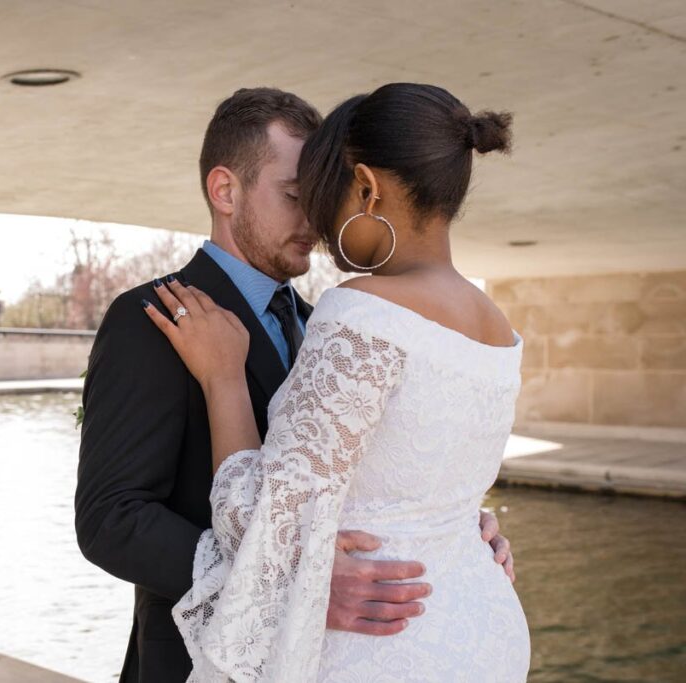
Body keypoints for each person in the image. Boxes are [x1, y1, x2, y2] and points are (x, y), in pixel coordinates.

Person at [76, 87, 515, 683]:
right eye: (293, 196)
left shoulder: (332, 323)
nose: (315, 218)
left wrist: (457, 524)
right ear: (225, 191)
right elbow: (111, 519)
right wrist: (293, 585)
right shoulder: (151, 316)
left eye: (320, 195)